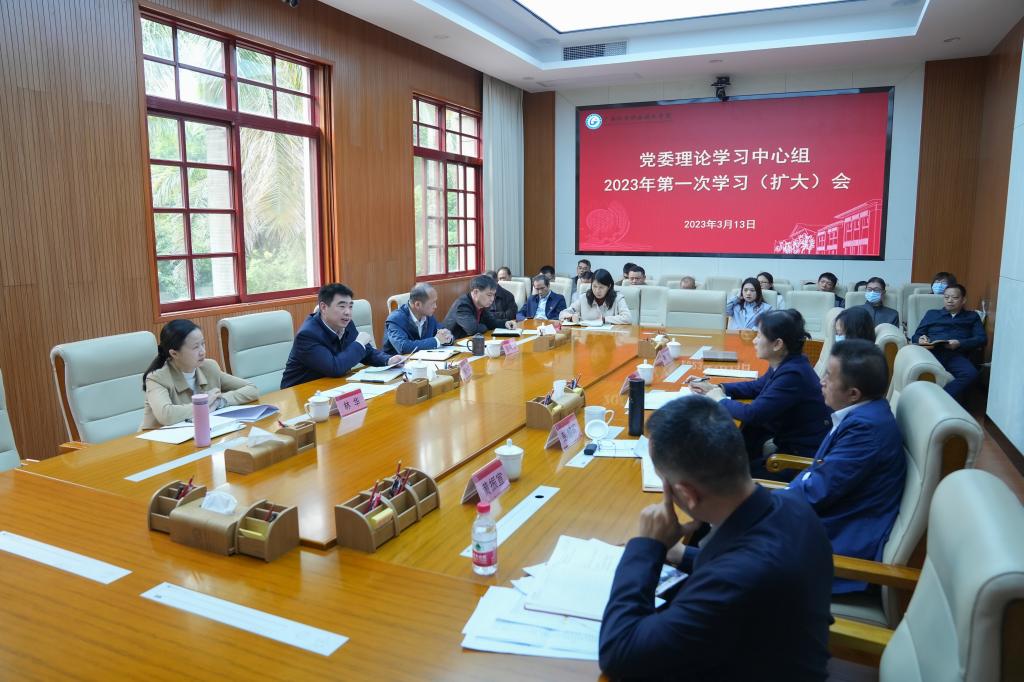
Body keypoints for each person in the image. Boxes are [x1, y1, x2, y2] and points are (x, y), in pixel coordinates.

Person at [599, 395, 832, 681]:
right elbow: (738, 559)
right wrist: (681, 554)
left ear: (686, 494)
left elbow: (619, 654)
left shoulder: (735, 580)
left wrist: (647, 547)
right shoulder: (792, 507)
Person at [776, 340, 905, 594]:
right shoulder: (865, 413)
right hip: (827, 520)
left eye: (828, 376)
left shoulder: (865, 431)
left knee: (729, 555)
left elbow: (816, 491)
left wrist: (756, 504)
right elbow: (818, 476)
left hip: (838, 548)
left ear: (853, 393)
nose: (821, 381)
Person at [691, 309, 832, 471]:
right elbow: (757, 386)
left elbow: (753, 414)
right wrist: (718, 387)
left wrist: (720, 399)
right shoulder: (788, 362)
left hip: (797, 459)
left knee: (726, 472)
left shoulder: (793, 374)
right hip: (785, 440)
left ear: (777, 344)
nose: (754, 341)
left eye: (759, 336)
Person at [141, 319, 258, 428]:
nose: (203, 351)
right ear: (174, 353)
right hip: (158, 441)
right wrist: (204, 404)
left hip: (200, 433)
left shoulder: (209, 367)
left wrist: (219, 402)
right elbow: (167, 415)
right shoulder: (157, 378)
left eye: (203, 344)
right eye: (195, 347)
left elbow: (252, 389)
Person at [282, 284, 402, 389]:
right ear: (323, 307)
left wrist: (388, 360)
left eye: (350, 306)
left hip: (332, 386)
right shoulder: (307, 335)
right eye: (342, 306)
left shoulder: (346, 323)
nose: (348, 312)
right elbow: (335, 368)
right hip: (301, 392)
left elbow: (366, 352)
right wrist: (359, 344)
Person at [912, 283, 986, 399]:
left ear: (963, 300)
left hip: (955, 354)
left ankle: (939, 399)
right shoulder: (932, 314)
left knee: (971, 374)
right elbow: (916, 335)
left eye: (954, 297)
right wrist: (920, 339)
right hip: (931, 352)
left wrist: (960, 343)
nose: (949, 300)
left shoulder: (972, 316)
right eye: (946, 297)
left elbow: (981, 339)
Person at [382, 283, 453, 354]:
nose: (435, 306)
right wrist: (436, 341)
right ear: (418, 304)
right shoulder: (395, 319)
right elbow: (403, 347)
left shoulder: (428, 315)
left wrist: (448, 338)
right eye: (432, 303)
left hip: (424, 359)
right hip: (400, 360)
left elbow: (443, 332)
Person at [442, 274, 517, 339]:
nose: (492, 299)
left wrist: (505, 323)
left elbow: (491, 322)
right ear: (475, 292)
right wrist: (485, 326)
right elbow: (473, 330)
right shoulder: (462, 305)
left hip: (469, 342)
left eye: (494, 295)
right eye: (489, 295)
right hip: (453, 345)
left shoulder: (481, 304)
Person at [559, 268, 632, 324]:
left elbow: (628, 318)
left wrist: (604, 319)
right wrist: (570, 317)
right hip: (588, 336)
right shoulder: (584, 297)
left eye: (601, 287)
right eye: (594, 286)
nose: (597, 291)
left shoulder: (617, 298)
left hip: (610, 336)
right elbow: (563, 313)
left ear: (609, 286)